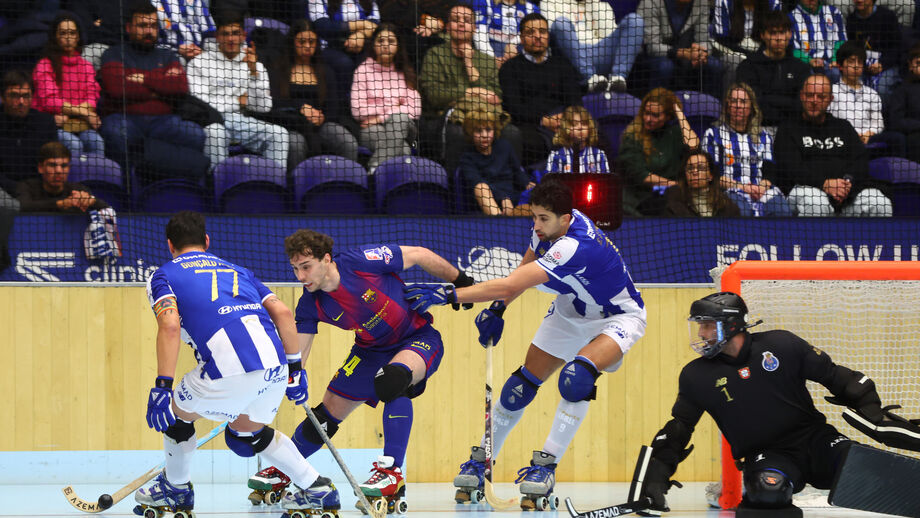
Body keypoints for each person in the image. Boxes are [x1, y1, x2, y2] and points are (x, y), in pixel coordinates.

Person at [403, 179, 646, 509]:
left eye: (543, 218)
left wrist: (449, 295)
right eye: (534, 217)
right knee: (518, 387)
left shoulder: (573, 247)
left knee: (576, 380)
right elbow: (527, 263)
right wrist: (500, 307)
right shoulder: (550, 228)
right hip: (570, 308)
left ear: (566, 218)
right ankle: (483, 459)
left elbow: (511, 282)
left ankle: (545, 468)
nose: (536, 225)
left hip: (617, 315)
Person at [248, 229, 476, 508]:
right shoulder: (310, 303)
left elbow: (420, 254)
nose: (300, 277)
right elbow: (299, 351)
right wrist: (293, 376)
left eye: (306, 267)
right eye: (295, 269)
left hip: (417, 338)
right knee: (325, 413)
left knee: (393, 381)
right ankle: (288, 467)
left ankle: (391, 473)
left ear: (326, 259)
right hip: (369, 352)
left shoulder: (362, 261)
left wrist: (461, 284)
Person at [137, 211, 340, 518]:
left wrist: (162, 386)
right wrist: (297, 369)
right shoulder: (238, 270)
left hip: (228, 366)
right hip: (275, 366)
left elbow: (169, 327)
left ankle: (176, 488)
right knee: (247, 432)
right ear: (206, 241)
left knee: (176, 418)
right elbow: (283, 313)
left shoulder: (162, 275)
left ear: (169, 245)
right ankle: (316, 487)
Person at [634, 291, 901, 516]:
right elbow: (680, 428)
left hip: (817, 440)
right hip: (768, 454)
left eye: (707, 325)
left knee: (869, 469)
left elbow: (837, 376)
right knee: (767, 490)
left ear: (731, 325)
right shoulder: (696, 376)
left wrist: (875, 414)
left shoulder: (781, 345)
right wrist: (657, 474)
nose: (701, 334)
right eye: (699, 326)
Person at [97, 1, 208, 180]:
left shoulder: (168, 55)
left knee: (195, 134)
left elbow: (179, 88)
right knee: (117, 133)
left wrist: (143, 78)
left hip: (163, 122)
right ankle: (127, 192)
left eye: (153, 26)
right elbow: (118, 90)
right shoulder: (113, 54)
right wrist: (160, 85)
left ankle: (183, 190)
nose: (149, 31)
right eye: (142, 26)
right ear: (128, 28)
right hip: (125, 119)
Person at [773, 73, 892, 216]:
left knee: (879, 202)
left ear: (830, 100)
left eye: (821, 97)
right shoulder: (788, 129)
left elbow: (860, 161)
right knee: (815, 201)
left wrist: (847, 183)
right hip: (805, 191)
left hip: (845, 194)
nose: (814, 101)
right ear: (802, 96)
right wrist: (824, 183)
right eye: (810, 95)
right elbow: (791, 168)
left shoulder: (843, 127)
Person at [419, 2, 518, 173]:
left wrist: (469, 65)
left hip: (485, 117)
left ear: (473, 28)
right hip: (448, 117)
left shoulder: (486, 60)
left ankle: (506, 184)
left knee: (512, 133)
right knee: (458, 134)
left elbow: (496, 97)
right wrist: (472, 92)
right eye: (456, 20)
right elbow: (434, 96)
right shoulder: (434, 54)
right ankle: (456, 186)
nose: (461, 23)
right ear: (448, 27)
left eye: (467, 20)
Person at [187, 12, 291, 170]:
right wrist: (238, 101)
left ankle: (272, 186)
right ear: (217, 36)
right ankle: (216, 187)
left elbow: (263, 107)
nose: (231, 39)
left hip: (242, 123)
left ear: (243, 35)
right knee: (216, 133)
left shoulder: (253, 63)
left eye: (235, 33)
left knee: (280, 134)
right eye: (225, 34)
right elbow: (200, 106)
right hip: (211, 122)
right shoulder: (199, 63)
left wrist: (254, 73)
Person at [265, 19, 359, 163]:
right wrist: (300, 109)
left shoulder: (326, 71)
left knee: (347, 142)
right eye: (302, 42)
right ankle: (295, 183)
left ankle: (341, 181)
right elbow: (272, 103)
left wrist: (321, 117)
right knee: (295, 144)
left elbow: (334, 107)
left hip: (320, 125)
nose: (307, 47)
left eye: (312, 42)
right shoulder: (278, 70)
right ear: (292, 42)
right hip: (290, 124)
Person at [498, 13, 582, 167]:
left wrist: (566, 118)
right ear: (521, 38)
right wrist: (543, 121)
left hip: (564, 122)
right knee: (522, 139)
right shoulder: (510, 68)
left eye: (542, 32)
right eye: (531, 33)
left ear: (548, 36)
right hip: (530, 126)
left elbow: (575, 98)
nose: (537, 36)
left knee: (594, 132)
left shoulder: (562, 64)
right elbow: (513, 107)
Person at [702, 83, 793, 216]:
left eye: (743, 101)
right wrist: (743, 187)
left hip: (761, 190)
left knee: (782, 211)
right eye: (734, 101)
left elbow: (769, 171)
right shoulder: (713, 134)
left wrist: (761, 188)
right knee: (742, 213)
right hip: (729, 190)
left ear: (751, 108)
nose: (738, 105)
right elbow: (712, 175)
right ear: (727, 107)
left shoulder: (764, 137)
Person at [351, 23, 421, 173]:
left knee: (400, 118)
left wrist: (381, 117)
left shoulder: (405, 71)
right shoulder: (363, 71)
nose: (385, 46)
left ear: (398, 46)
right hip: (371, 130)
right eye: (380, 41)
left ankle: (374, 169)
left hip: (405, 128)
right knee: (403, 150)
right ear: (373, 45)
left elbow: (415, 109)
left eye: (391, 41)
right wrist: (393, 106)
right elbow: (357, 111)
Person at [31, 13, 105, 157]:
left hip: (80, 124)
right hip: (53, 125)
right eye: (63, 33)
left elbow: (92, 96)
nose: (68, 38)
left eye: (72, 33)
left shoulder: (86, 66)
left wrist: (77, 111)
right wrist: (84, 112)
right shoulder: (45, 65)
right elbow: (50, 102)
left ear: (78, 37)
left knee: (96, 142)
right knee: (74, 145)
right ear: (55, 37)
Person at [619, 88, 700, 216]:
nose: (648, 119)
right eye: (646, 113)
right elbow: (641, 175)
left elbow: (694, 146)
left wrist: (679, 113)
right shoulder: (632, 136)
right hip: (642, 199)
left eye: (655, 115)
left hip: (671, 196)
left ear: (668, 117)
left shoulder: (674, 133)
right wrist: (675, 185)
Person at [541, 0, 644, 92]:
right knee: (560, 22)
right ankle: (590, 78)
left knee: (635, 20)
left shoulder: (601, 5)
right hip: (571, 56)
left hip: (600, 51)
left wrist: (592, 3)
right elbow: (553, 33)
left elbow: (607, 33)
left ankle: (618, 78)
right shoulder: (549, 3)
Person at [736, 11, 813, 128]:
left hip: (793, 128)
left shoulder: (801, 68)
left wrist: (770, 99)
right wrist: (787, 103)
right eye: (772, 33)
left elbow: (802, 103)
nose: (778, 38)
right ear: (762, 35)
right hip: (758, 127)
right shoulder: (748, 66)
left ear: (790, 34)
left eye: (782, 32)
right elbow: (755, 101)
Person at [829, 41, 905, 157]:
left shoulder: (872, 94)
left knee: (897, 138)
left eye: (859, 62)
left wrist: (870, 133)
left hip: (868, 139)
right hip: (842, 140)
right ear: (840, 66)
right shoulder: (831, 92)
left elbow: (878, 122)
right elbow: (829, 121)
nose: (856, 66)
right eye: (851, 62)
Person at [639, 0, 723, 98]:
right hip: (654, 56)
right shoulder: (650, 2)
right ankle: (655, 106)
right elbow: (652, 47)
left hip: (689, 55)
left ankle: (710, 109)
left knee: (715, 65)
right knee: (665, 66)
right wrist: (682, 53)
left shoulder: (701, 2)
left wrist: (701, 54)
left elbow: (703, 39)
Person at [458, 108, 534, 216]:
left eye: (488, 130)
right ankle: (499, 223)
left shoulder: (504, 146)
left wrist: (528, 185)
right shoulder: (467, 158)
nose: (484, 135)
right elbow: (476, 182)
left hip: (512, 198)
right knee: (481, 187)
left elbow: (518, 172)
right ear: (470, 133)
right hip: (488, 202)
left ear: (494, 129)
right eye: (479, 131)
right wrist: (503, 198)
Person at [0, 69, 57, 195]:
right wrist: (16, 188)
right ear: (2, 98)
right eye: (14, 95)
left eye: (26, 96)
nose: (21, 102)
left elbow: (51, 164)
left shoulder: (45, 123)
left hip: (36, 192)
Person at [16, 141, 109, 213]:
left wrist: (92, 201)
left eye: (64, 166)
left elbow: (108, 210)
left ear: (69, 168)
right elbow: (22, 206)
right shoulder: (27, 187)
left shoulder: (78, 190)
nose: (59, 171)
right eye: (52, 165)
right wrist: (61, 204)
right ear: (40, 168)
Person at [709, 0, 782, 87]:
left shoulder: (774, 3)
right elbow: (722, 39)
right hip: (729, 50)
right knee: (736, 64)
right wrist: (750, 56)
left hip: (762, 51)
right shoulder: (724, 2)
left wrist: (758, 56)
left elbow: (775, 36)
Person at [845, 0, 902, 100]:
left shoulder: (887, 16)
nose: (859, 0)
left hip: (887, 65)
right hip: (861, 65)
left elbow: (896, 48)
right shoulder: (851, 20)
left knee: (882, 89)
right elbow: (851, 48)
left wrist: (882, 64)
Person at [663, 149, 741, 216]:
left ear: (710, 176)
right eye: (690, 168)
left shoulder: (726, 204)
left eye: (701, 167)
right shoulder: (674, 199)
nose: (695, 172)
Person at [789, 0, 847, 83]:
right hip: (807, 66)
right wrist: (809, 60)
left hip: (833, 65)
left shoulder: (833, 12)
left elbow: (842, 39)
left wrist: (836, 59)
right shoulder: (791, 17)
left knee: (837, 73)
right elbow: (792, 49)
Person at [544, 106, 610, 175]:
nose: (580, 127)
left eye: (584, 124)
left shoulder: (599, 155)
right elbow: (549, 182)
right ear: (565, 128)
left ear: (589, 127)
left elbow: (607, 181)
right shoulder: (556, 156)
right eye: (574, 124)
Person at [471, 0, 539, 66]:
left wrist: (512, 44)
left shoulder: (531, 9)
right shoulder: (485, 2)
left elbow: (533, 33)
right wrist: (492, 59)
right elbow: (479, 35)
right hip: (490, 48)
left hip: (518, 48)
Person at [888, 44, 920, 163]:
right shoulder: (901, 90)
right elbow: (896, 121)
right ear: (910, 65)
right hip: (914, 136)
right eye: (919, 63)